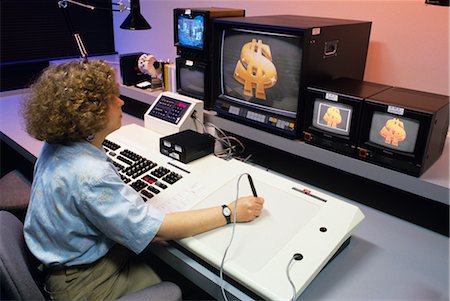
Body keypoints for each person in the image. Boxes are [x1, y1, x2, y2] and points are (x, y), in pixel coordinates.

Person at [21, 60, 264, 301]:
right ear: (89, 114)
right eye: (112, 98)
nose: (121, 101)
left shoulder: (56, 146)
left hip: (66, 265)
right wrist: (230, 211)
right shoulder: (90, 174)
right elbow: (158, 230)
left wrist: (132, 228)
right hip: (85, 283)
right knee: (191, 285)